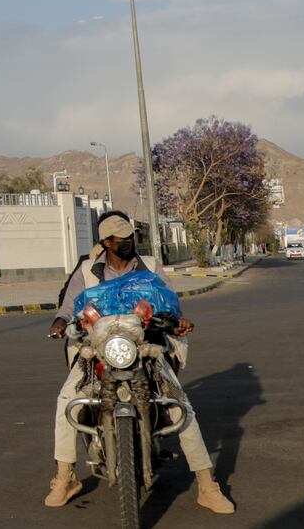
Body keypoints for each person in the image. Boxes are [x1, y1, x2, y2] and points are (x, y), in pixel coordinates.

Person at [44, 211, 235, 515]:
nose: (128, 242)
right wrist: (58, 324)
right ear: (106, 241)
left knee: (180, 405)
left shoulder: (150, 266)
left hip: (145, 347)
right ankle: (65, 477)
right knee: (68, 400)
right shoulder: (87, 271)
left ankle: (207, 485)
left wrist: (176, 321)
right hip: (98, 347)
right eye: (121, 238)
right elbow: (68, 309)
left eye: (130, 236)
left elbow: (169, 303)